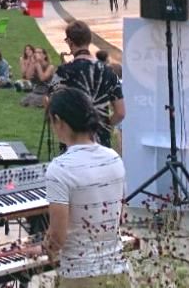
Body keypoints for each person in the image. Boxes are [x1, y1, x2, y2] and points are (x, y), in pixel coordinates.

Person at [43, 88, 130, 288]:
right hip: (117, 270)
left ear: (58, 120)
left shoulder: (60, 168)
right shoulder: (114, 158)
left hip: (80, 276)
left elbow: (58, 236)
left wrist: (42, 249)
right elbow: (117, 216)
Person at [50, 21, 125, 148]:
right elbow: (120, 112)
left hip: (72, 141)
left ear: (70, 42)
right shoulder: (108, 72)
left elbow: (52, 104)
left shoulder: (64, 72)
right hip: (101, 142)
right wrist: (105, 127)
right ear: (89, 40)